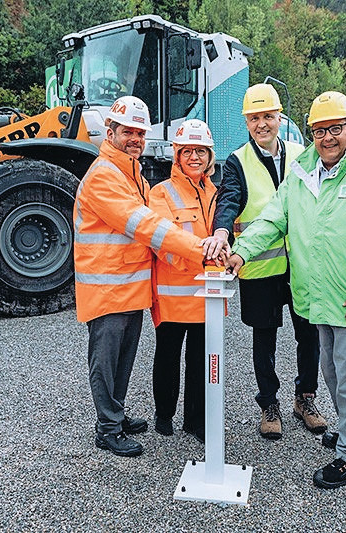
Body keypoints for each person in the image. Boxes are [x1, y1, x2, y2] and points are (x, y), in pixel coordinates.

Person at [227, 91, 346, 488]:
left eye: (336, 129)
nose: (328, 138)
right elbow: (273, 218)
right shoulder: (302, 173)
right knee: (332, 372)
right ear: (310, 133)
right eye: (320, 130)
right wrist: (240, 251)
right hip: (319, 299)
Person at [73, 96, 211, 458]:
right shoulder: (105, 175)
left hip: (128, 287)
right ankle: (107, 429)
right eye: (128, 131)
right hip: (107, 289)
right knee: (105, 362)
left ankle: (115, 415)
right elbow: (146, 225)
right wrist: (199, 251)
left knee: (122, 360)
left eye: (139, 133)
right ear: (111, 132)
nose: (134, 138)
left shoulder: (129, 172)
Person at [204, 83, 324, 440]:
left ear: (279, 117)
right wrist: (222, 233)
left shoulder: (304, 154)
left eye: (268, 116)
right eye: (254, 118)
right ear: (246, 122)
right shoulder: (238, 160)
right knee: (264, 338)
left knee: (309, 334)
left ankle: (305, 398)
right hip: (258, 266)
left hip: (302, 264)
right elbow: (229, 201)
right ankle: (268, 403)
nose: (262, 124)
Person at [148, 119, 219, 444]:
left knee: (201, 362)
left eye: (200, 152)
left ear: (209, 156)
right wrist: (204, 256)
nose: (194, 157)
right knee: (167, 356)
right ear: (177, 155)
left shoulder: (215, 193)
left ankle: (196, 420)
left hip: (208, 295)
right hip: (174, 293)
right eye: (187, 151)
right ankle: (164, 415)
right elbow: (163, 242)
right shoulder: (160, 193)